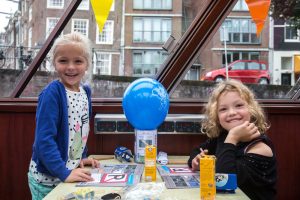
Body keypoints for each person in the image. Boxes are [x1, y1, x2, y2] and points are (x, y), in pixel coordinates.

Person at [28, 32, 99, 200]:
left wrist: (81, 158)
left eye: (78, 61)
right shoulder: (52, 94)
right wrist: (64, 172)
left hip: (69, 175)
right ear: (54, 63)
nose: (71, 67)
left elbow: (80, 130)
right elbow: (44, 141)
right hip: (47, 181)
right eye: (63, 60)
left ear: (87, 64)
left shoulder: (85, 92)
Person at [188, 79, 277, 200]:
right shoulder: (223, 136)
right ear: (216, 116)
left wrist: (233, 138)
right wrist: (196, 160)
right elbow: (197, 150)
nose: (232, 112)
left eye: (239, 105)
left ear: (251, 109)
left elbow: (223, 182)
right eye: (223, 109)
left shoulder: (260, 148)